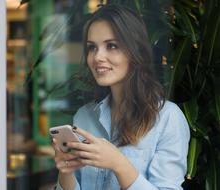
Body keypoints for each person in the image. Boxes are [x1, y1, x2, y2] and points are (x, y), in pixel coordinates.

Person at [52, 3, 190, 190]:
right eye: (92, 48)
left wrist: (119, 164)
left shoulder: (167, 118)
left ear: (135, 51)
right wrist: (66, 170)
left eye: (111, 45)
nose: (98, 57)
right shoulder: (84, 117)